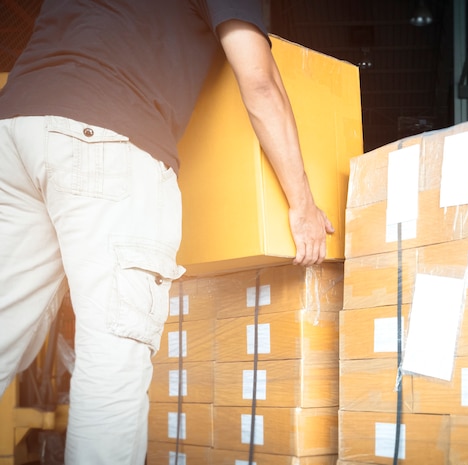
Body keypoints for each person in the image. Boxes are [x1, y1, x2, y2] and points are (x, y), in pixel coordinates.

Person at [0, 0, 334, 463]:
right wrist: (303, 206)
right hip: (106, 136)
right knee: (113, 356)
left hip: (13, 132)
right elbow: (260, 80)